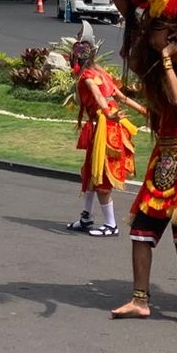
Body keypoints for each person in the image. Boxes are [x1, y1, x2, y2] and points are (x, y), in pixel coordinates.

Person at [110, 13, 177, 327]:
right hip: (164, 158)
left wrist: (169, 59)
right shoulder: (161, 76)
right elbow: (142, 73)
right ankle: (139, 299)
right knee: (140, 233)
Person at [63, 26, 144, 237]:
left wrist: (108, 114)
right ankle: (86, 218)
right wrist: (144, 111)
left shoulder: (89, 77)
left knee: (101, 177)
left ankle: (111, 224)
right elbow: (120, 97)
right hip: (105, 125)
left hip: (106, 130)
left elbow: (101, 98)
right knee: (90, 173)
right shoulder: (100, 72)